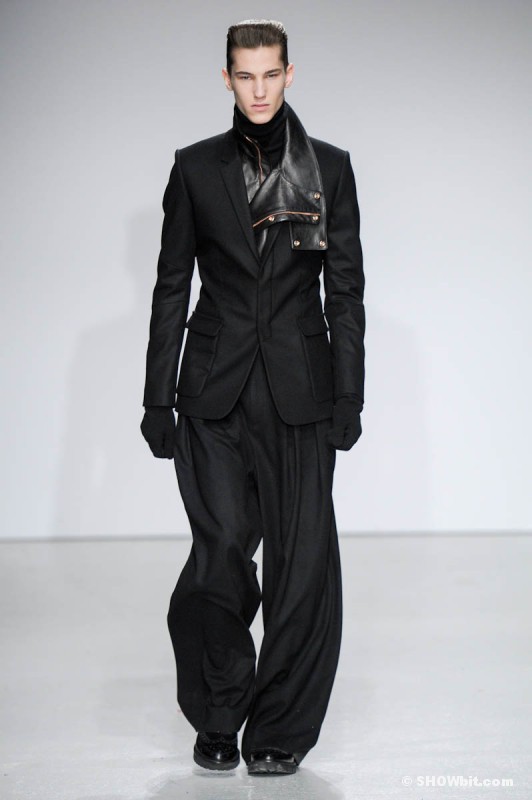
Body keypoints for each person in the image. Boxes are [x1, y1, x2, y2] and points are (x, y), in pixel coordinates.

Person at [141, 18, 365, 776]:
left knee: (301, 569)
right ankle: (217, 711)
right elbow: (172, 285)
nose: (259, 90)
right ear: (228, 78)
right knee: (220, 558)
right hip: (213, 392)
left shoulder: (329, 169)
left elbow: (346, 292)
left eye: (271, 74)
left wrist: (350, 394)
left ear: (290, 74)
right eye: (246, 75)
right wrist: (157, 398)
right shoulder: (194, 168)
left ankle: (278, 729)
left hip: (301, 392)